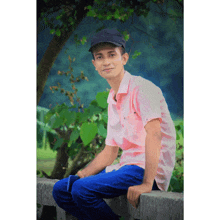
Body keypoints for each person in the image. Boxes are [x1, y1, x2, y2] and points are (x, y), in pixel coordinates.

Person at [52, 28, 176, 220]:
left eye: (112, 55)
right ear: (94, 64)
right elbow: (110, 151)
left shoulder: (142, 89)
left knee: (81, 190)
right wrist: (84, 173)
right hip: (126, 168)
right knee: (62, 189)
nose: (106, 61)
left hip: (145, 171)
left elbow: (155, 134)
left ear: (124, 58)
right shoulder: (113, 99)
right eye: (100, 57)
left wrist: (146, 183)